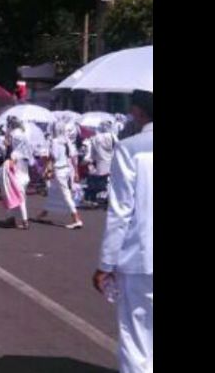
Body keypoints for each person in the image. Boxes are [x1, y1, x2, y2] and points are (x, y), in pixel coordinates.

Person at [92, 90, 153, 373]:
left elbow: (120, 211)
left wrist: (105, 263)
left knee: (136, 334)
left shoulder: (130, 148)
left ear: (139, 111)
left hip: (141, 256)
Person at [36, 121, 84, 229]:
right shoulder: (67, 141)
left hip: (58, 170)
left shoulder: (55, 141)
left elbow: (53, 157)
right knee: (54, 191)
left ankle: (76, 218)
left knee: (65, 194)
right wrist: (76, 172)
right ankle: (44, 212)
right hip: (66, 169)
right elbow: (73, 157)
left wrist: (48, 169)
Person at [1, 116, 33, 229]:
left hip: (15, 168)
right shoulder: (25, 135)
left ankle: (24, 220)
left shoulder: (13, 135)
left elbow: (8, 150)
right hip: (25, 170)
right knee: (18, 193)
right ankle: (11, 218)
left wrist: (7, 141)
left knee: (12, 193)